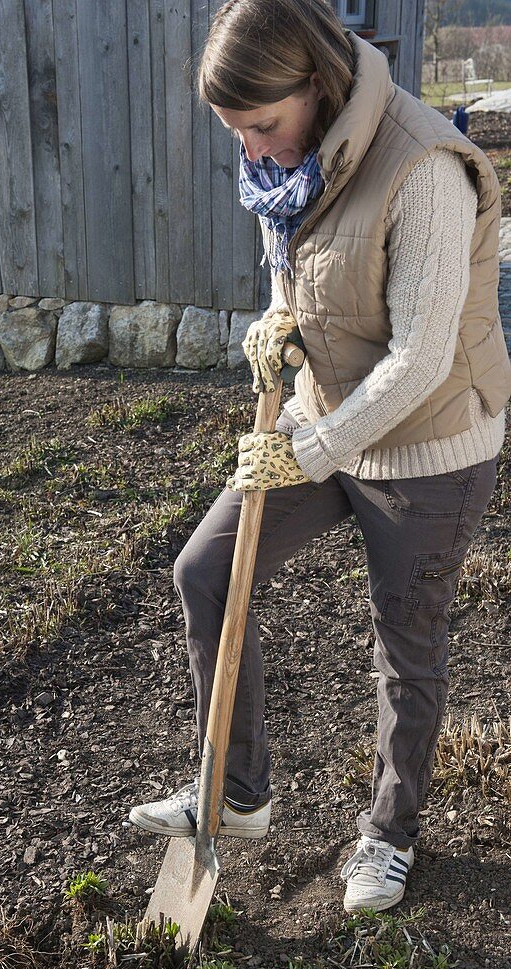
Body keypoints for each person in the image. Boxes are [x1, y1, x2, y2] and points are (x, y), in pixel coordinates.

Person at [129, 0, 511, 912]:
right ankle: (238, 792)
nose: (253, 149)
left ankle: (388, 834)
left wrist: (311, 451)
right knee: (207, 571)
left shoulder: (422, 168)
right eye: (236, 132)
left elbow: (419, 356)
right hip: (327, 420)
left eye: (263, 125)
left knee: (403, 639)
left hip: (430, 442)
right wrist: (277, 323)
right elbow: (299, 265)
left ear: (320, 84)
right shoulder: (288, 160)